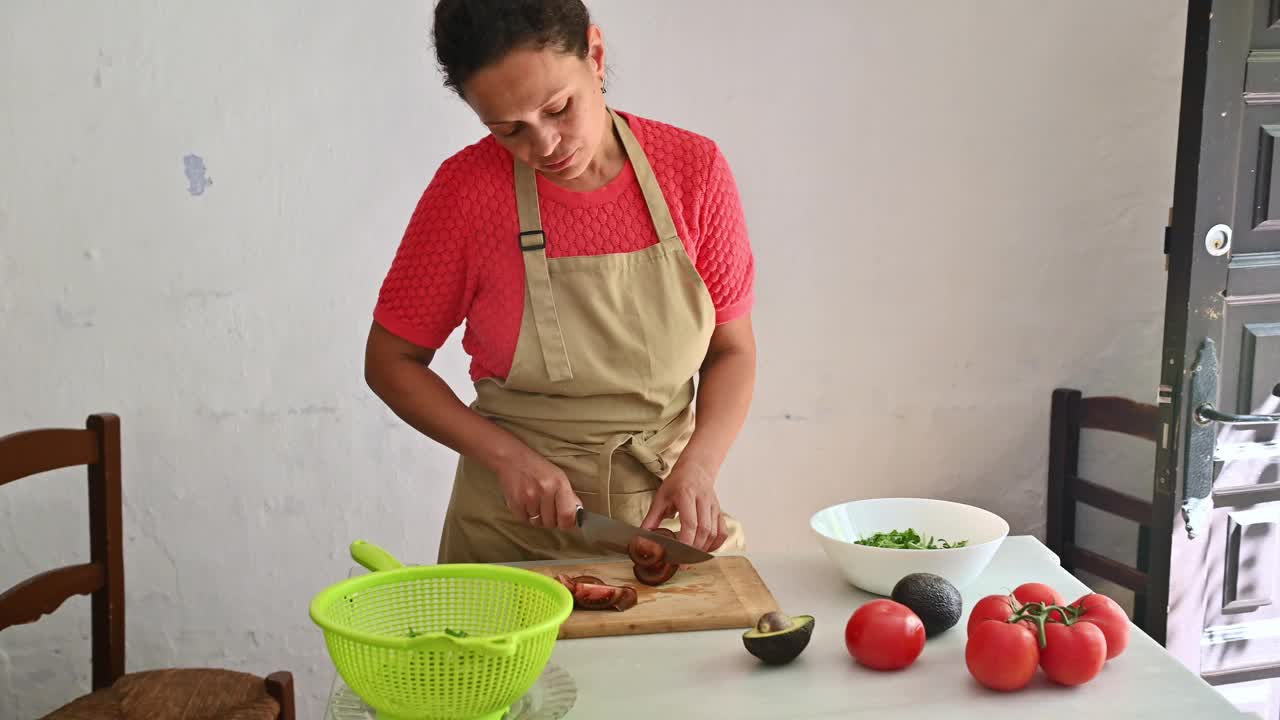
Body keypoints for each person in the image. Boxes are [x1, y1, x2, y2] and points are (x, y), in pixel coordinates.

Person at [364, 0, 757, 563]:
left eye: (558, 108)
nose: (544, 145)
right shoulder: (467, 193)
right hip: (510, 536)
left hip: (664, 526)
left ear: (594, 57)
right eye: (509, 129)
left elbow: (733, 350)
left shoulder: (693, 171)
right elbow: (389, 361)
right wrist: (506, 458)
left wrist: (700, 465)